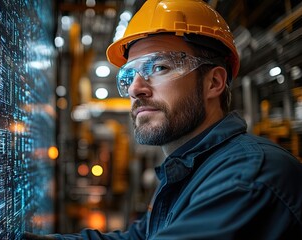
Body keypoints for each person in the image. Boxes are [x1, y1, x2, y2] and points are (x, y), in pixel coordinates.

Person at [24, 0, 302, 239]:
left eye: (159, 67)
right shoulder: (190, 170)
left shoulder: (246, 178)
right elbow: (140, 236)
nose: (135, 89)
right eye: (128, 76)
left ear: (213, 82)